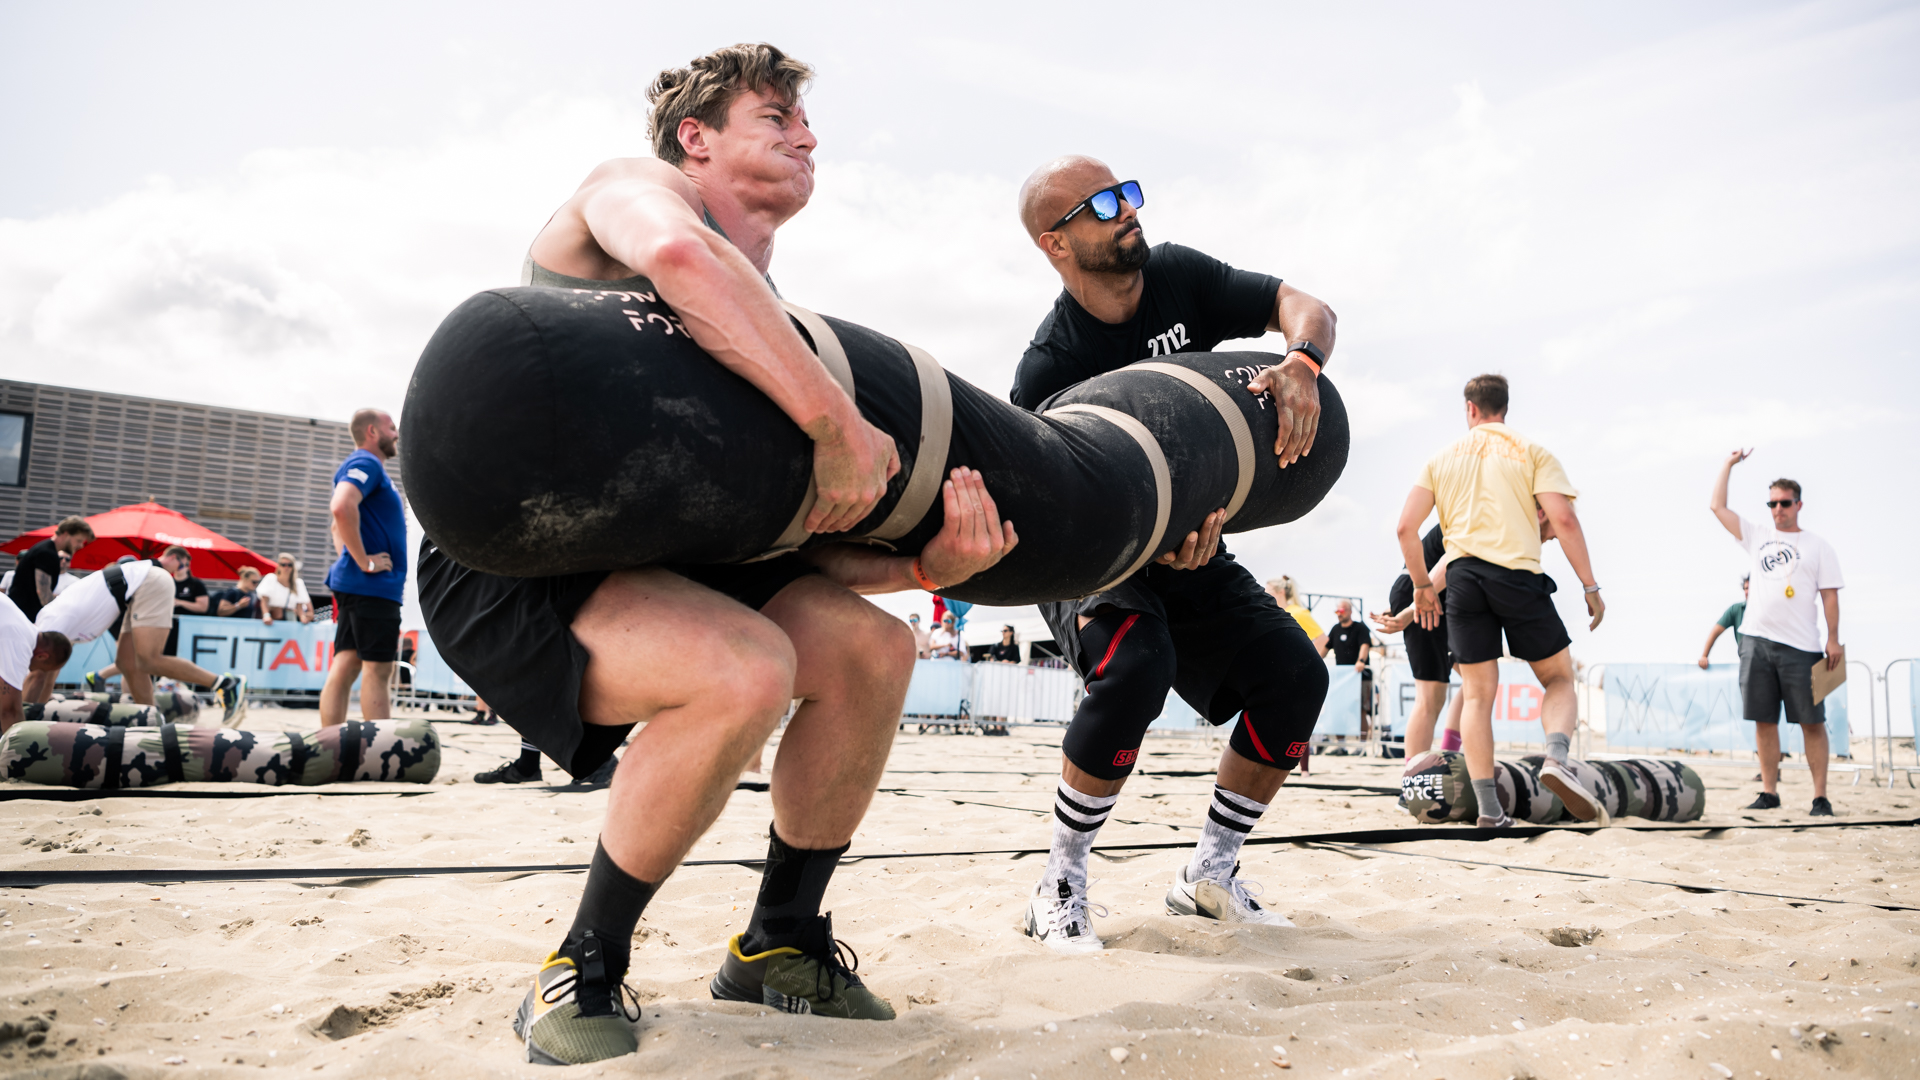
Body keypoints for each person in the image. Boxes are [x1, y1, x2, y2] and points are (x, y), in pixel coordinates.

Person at [415, 44, 1016, 1066]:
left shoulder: (771, 321)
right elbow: (683, 262)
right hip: (524, 550)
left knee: (873, 651)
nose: (807, 136)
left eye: (805, 123)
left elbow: (796, 543)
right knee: (743, 669)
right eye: (776, 117)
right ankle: (582, 964)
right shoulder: (633, 190)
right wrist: (834, 425)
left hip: (665, 555)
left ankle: (779, 943)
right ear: (695, 137)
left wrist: (926, 573)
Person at [1010, 155, 1336, 952]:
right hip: (1092, 553)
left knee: (1296, 676)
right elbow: (1049, 501)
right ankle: (1058, 882)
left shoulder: (1179, 277)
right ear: (1056, 243)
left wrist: (1302, 361)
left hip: (1195, 536)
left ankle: (1210, 875)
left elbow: (1302, 302)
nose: (1128, 210)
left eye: (1128, 193)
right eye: (1102, 204)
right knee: (1135, 665)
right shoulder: (1049, 365)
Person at [1395, 374, 1604, 828]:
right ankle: (1556, 758)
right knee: (1558, 679)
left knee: (1476, 697)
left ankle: (1490, 810)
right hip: (1517, 575)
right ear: (1504, 408)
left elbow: (1405, 529)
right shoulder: (1532, 452)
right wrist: (1590, 586)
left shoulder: (1441, 459)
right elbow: (1563, 519)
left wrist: (1421, 587)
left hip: (1465, 578)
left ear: (1470, 409)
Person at [1709, 452, 1843, 815]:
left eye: (1784, 503)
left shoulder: (1818, 546)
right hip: (1756, 641)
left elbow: (1830, 596)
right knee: (1764, 720)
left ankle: (1820, 797)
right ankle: (1769, 792)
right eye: (1772, 503)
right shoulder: (1757, 535)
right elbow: (1717, 506)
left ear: (1799, 504)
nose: (1778, 509)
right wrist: (1728, 465)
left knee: (1812, 722)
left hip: (1802, 647)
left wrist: (1833, 638)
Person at [32, 551, 244, 723]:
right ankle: (152, 721)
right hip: (133, 590)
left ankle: (225, 685)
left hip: (146, 583)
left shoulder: (49, 627)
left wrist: (18, 725)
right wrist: (34, 721)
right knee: (127, 664)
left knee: (148, 659)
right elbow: (46, 677)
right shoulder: (49, 632)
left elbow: (37, 676)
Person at [321, 408, 406, 728]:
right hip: (373, 587)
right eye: (391, 427)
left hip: (360, 586)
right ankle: (381, 751)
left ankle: (329, 744)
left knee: (346, 663)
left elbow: (335, 527)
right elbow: (341, 508)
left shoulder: (367, 467)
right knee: (378, 668)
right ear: (372, 431)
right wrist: (364, 562)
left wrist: (353, 561)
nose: (397, 433)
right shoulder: (367, 462)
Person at [1371, 525, 1464, 756]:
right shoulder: (1475, 506)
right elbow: (1448, 560)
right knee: (1430, 696)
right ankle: (1412, 779)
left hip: (1435, 593)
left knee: (1478, 683)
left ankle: (1449, 756)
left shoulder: (1471, 502)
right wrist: (1410, 608)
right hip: (1427, 593)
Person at [88, 545, 212, 689]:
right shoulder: (152, 570)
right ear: (173, 558)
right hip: (124, 616)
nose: (182, 568)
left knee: (133, 661)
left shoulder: (152, 569)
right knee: (139, 661)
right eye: (182, 564)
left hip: (126, 615)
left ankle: (113, 686)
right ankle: (218, 681)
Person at [0, 596, 71, 735]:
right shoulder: (20, 643)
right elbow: (10, 711)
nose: (30, 672)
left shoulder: (22, 627)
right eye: (39, 669)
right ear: (41, 656)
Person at [7, 516, 95, 622]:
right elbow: (43, 594)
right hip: (24, 617)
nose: (80, 546)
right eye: (79, 540)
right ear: (66, 534)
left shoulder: (46, 549)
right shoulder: (47, 553)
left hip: (21, 615)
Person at [1265, 576, 1328, 657]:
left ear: (1281, 592)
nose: (1265, 595)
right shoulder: (1272, 615)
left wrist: (1307, 661)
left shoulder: (1298, 613)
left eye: (1268, 592)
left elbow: (1322, 639)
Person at [1698, 575, 1750, 669]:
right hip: (1746, 662)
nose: (1748, 592)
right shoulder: (1737, 609)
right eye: (1746, 588)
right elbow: (1716, 631)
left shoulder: (1766, 610)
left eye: (1751, 588)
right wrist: (1704, 656)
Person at [258, 554, 314, 625]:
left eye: (289, 565)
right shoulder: (271, 578)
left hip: (290, 618)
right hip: (272, 619)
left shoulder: (298, 583)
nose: (286, 567)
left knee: (291, 636)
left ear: (293, 567)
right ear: (279, 566)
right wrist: (266, 616)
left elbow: (299, 605)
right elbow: (264, 601)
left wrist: (303, 618)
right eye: (283, 564)